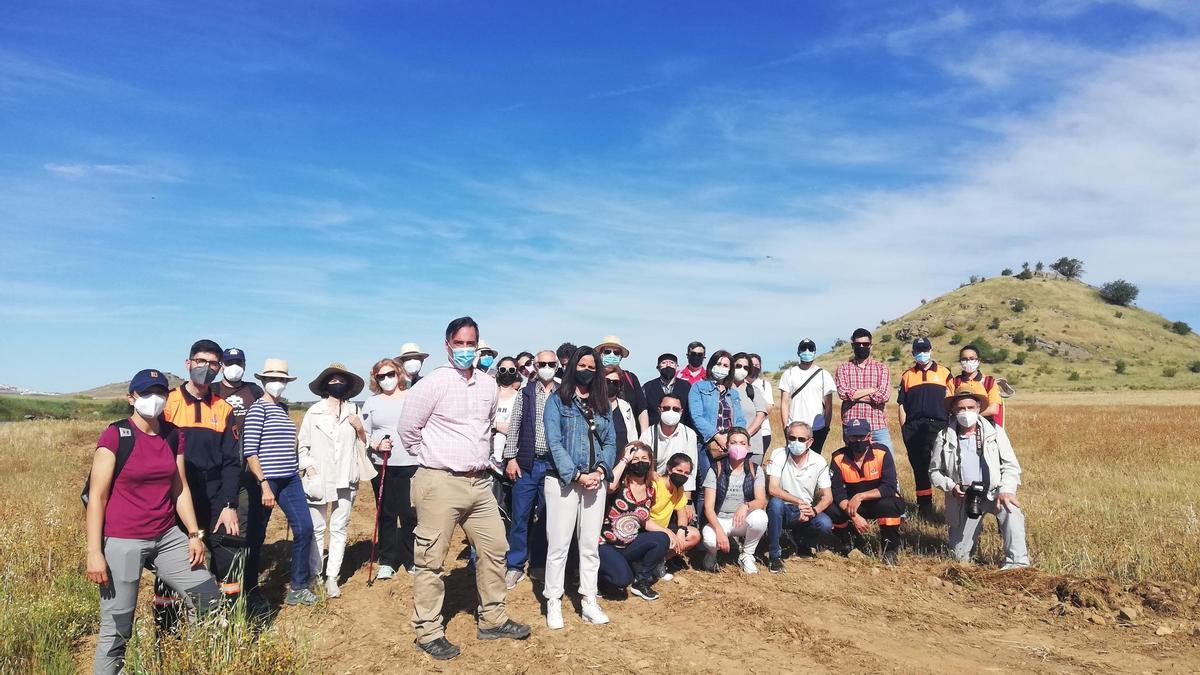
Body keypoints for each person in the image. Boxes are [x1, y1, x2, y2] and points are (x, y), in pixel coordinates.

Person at [397, 317, 531, 660]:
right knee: (431, 560)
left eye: (471, 343)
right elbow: (408, 429)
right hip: (440, 481)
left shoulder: (487, 386)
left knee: (495, 548)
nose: (466, 349)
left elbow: (485, 427)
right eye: (460, 343)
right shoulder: (432, 384)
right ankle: (427, 631)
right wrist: (433, 457)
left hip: (479, 483)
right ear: (447, 345)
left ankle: (493, 619)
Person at [87, 369, 219, 675]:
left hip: (166, 535)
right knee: (117, 628)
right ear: (131, 398)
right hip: (123, 540)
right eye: (147, 393)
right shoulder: (116, 435)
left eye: (160, 392)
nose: (154, 400)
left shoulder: (173, 435)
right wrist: (95, 552)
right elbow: (97, 498)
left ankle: (191, 663)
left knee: (208, 598)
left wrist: (194, 534)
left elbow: (180, 488)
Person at [542, 345, 617, 630]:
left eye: (592, 366)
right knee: (559, 544)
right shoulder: (558, 400)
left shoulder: (602, 403)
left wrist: (600, 470)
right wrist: (576, 475)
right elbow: (554, 441)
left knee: (589, 545)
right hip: (563, 481)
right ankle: (554, 600)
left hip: (595, 481)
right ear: (572, 366)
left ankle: (588, 599)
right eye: (582, 365)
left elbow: (610, 441)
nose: (587, 370)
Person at [162, 339, 241, 600]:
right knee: (175, 560)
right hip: (175, 491)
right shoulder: (167, 404)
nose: (206, 368)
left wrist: (229, 504)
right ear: (188, 363)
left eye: (213, 363)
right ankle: (169, 629)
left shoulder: (223, 407)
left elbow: (231, 461)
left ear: (219, 368)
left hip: (215, 491)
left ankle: (228, 622)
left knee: (226, 554)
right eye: (200, 361)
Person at [242, 359, 317, 606]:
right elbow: (250, 451)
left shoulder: (283, 409)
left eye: (282, 379)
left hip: (291, 478)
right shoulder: (257, 409)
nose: (277, 383)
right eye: (273, 379)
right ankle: (250, 590)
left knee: (305, 528)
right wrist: (263, 484)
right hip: (267, 480)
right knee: (256, 535)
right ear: (263, 381)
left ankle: (298, 585)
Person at [930, 381, 1029, 569]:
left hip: (994, 493)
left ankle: (1018, 564)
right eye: (960, 408)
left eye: (970, 407)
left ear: (978, 408)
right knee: (959, 559)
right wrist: (951, 487)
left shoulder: (995, 432)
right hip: (964, 499)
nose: (965, 412)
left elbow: (1011, 466)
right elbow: (934, 472)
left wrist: (1006, 490)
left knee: (1011, 510)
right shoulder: (943, 436)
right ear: (952, 410)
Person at [298, 362, 373, 599]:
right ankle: (315, 574)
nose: (337, 384)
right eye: (332, 380)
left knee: (339, 528)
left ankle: (332, 577)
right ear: (324, 385)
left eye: (341, 380)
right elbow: (303, 445)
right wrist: (309, 468)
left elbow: (363, 446)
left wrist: (360, 429)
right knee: (318, 529)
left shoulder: (354, 411)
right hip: (319, 478)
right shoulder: (314, 412)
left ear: (348, 385)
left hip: (346, 477)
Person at [212, 346, 265, 602]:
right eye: (230, 362)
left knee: (251, 529)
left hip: (251, 469)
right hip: (221, 467)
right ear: (222, 365)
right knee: (227, 529)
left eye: (239, 362)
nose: (235, 366)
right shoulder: (212, 391)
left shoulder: (254, 391)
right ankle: (221, 582)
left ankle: (248, 586)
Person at [502, 350, 558, 588]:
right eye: (542, 363)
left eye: (550, 363)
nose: (546, 366)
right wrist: (511, 458)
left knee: (547, 517)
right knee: (521, 516)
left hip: (553, 466)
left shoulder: (563, 393)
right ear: (534, 365)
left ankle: (539, 564)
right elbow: (514, 426)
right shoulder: (525, 393)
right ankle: (515, 565)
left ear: (556, 365)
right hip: (527, 463)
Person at [360, 357, 418, 580]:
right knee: (386, 513)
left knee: (409, 513)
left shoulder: (412, 398)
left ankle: (411, 558)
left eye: (390, 374)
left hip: (411, 463)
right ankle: (387, 560)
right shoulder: (371, 403)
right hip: (382, 464)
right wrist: (376, 443)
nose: (386, 379)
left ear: (399, 374)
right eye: (381, 376)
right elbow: (363, 432)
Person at [599, 442, 673, 601]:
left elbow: (644, 520)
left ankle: (641, 581)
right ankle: (601, 577)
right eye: (635, 458)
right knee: (621, 580)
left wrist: (668, 532)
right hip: (606, 544)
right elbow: (610, 486)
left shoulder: (650, 490)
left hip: (629, 544)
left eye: (644, 458)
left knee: (662, 539)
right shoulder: (620, 484)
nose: (640, 462)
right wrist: (625, 459)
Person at [826, 419, 905, 565]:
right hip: (854, 507)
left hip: (878, 501)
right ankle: (848, 539)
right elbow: (837, 492)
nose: (857, 441)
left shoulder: (882, 452)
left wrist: (861, 496)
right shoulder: (837, 458)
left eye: (861, 437)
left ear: (869, 437)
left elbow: (889, 487)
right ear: (846, 438)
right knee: (831, 508)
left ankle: (890, 548)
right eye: (853, 437)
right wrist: (854, 516)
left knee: (890, 504)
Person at [763, 422, 833, 573]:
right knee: (775, 504)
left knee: (825, 523)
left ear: (810, 442)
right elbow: (773, 489)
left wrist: (813, 511)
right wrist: (800, 502)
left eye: (801, 439)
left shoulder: (819, 461)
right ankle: (775, 555)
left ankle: (803, 542)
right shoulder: (778, 454)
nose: (796, 442)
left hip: (806, 510)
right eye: (792, 438)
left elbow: (828, 496)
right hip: (784, 508)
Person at [897, 338, 954, 520]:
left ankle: (952, 506)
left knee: (946, 466)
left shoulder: (945, 373)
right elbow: (901, 405)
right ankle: (925, 508)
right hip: (914, 427)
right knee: (919, 468)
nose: (922, 354)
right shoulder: (907, 375)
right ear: (913, 353)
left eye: (925, 350)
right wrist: (905, 429)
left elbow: (953, 401)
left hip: (939, 425)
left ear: (931, 350)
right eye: (918, 351)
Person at [688, 350, 746, 523]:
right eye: (718, 364)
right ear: (711, 365)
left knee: (725, 487)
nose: (721, 368)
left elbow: (740, 419)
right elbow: (696, 416)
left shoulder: (733, 393)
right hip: (707, 445)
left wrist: (735, 438)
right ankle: (703, 529)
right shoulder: (699, 387)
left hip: (729, 446)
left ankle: (723, 526)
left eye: (726, 365)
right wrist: (717, 436)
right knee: (707, 487)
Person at [700, 427, 768, 574]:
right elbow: (708, 508)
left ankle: (747, 554)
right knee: (710, 540)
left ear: (748, 447)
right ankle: (712, 554)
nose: (738, 446)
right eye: (733, 442)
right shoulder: (716, 469)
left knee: (761, 517)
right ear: (727, 445)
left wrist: (746, 505)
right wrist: (719, 531)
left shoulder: (755, 469)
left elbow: (761, 501)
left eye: (742, 443)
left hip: (741, 520)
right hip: (719, 520)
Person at [638, 394, 698, 511]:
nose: (671, 412)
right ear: (659, 410)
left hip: (678, 490)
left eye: (675, 409)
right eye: (666, 408)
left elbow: (690, 471)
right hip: (653, 489)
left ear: (681, 412)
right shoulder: (648, 434)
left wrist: (688, 502)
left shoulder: (688, 434)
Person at [835, 328, 892, 449]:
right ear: (852, 345)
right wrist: (872, 390)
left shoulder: (882, 368)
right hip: (852, 427)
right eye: (858, 344)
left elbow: (883, 396)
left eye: (865, 344)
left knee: (886, 463)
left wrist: (854, 395)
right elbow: (843, 394)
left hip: (877, 427)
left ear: (871, 346)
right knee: (852, 466)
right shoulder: (843, 368)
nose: (861, 346)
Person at [778, 339, 837, 454]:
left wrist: (826, 428)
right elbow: (784, 403)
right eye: (804, 348)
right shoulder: (789, 373)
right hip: (795, 426)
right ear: (798, 352)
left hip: (817, 428)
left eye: (810, 349)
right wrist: (786, 426)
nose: (807, 351)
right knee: (794, 459)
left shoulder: (824, 374)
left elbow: (829, 405)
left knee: (814, 460)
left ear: (814, 352)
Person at [648, 452, 701, 578]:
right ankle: (648, 563)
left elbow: (681, 511)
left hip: (665, 528)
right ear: (669, 469)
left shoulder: (678, 488)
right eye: (679, 470)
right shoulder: (655, 484)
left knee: (694, 535)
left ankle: (660, 561)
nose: (682, 475)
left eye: (686, 473)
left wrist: (681, 531)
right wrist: (668, 533)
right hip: (650, 528)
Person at [597, 335, 649, 433]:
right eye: (607, 351)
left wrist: (644, 437)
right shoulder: (593, 377)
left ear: (620, 357)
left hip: (627, 437)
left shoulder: (631, 378)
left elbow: (642, 410)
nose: (612, 355)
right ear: (600, 354)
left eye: (616, 352)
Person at [949, 344, 1006, 427]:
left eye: (972, 359)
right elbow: (949, 408)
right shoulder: (953, 382)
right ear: (960, 362)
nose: (968, 362)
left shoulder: (989, 382)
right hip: (960, 426)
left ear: (978, 361)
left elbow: (994, 409)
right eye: (964, 359)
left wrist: (970, 417)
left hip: (985, 426)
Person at [731, 352, 769, 464]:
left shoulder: (753, 390)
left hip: (752, 448)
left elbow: (761, 414)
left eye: (745, 367)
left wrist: (745, 435)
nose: (741, 369)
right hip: (727, 447)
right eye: (738, 366)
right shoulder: (722, 389)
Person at [642, 352, 695, 432]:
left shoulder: (686, 386)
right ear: (658, 367)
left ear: (677, 366)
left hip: (680, 432)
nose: (668, 365)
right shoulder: (648, 387)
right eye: (664, 363)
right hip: (655, 432)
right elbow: (643, 411)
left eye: (672, 363)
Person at [604, 365, 638, 451]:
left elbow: (633, 434)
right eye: (607, 381)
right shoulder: (592, 405)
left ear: (620, 386)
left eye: (615, 383)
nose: (611, 385)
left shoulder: (625, 406)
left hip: (623, 460)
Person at [747, 353, 776, 451]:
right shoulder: (739, 383)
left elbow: (769, 408)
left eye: (757, 365)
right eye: (751, 365)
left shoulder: (764, 384)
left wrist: (756, 392)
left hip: (763, 432)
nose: (754, 368)